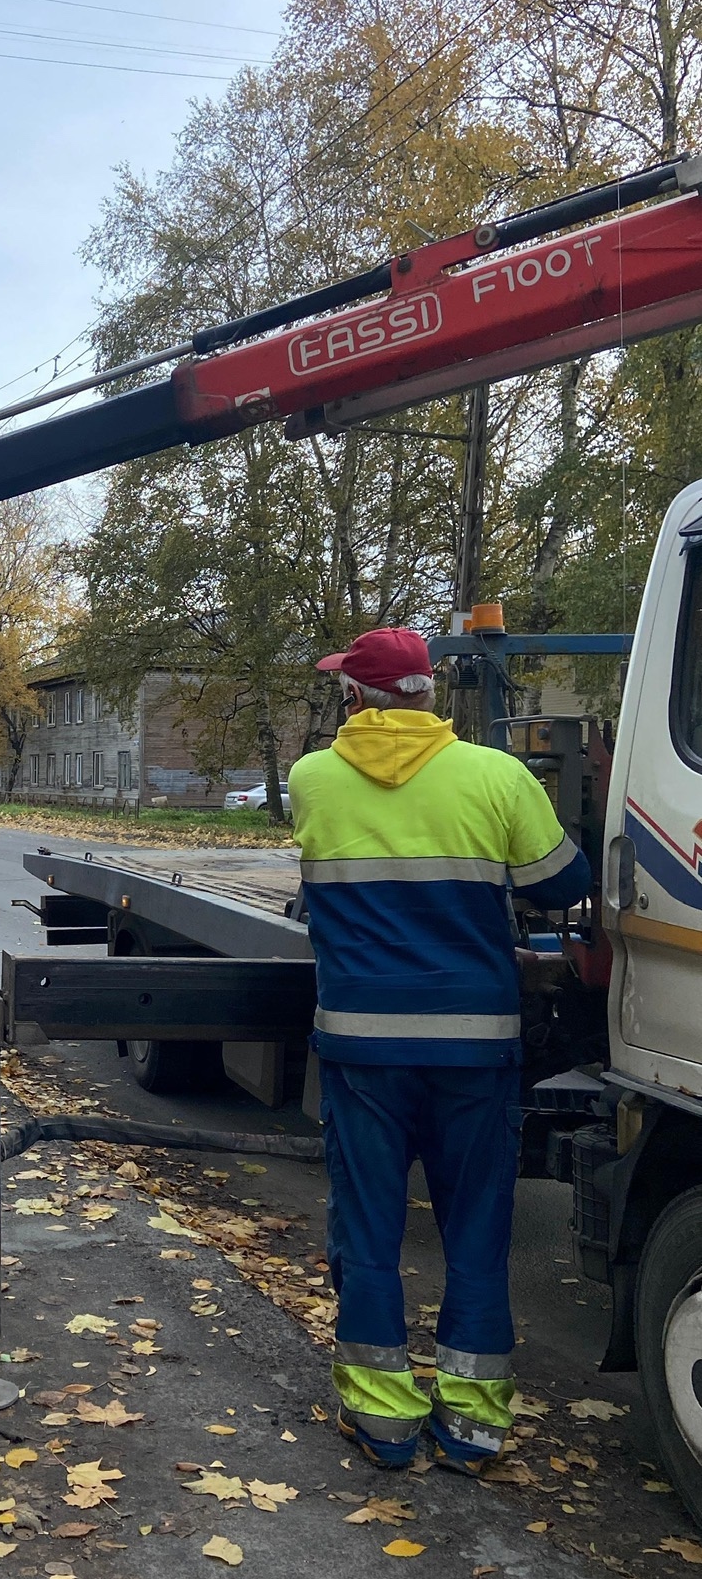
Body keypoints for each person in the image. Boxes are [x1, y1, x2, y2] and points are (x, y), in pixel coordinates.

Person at [286, 626, 591, 1474]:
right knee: (476, 1231)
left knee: (369, 1230)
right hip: (473, 1044)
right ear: (428, 693)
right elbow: (561, 883)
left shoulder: (311, 778)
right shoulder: (495, 775)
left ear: (355, 697)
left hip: (361, 1048)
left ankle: (383, 1420)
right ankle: (472, 1425)